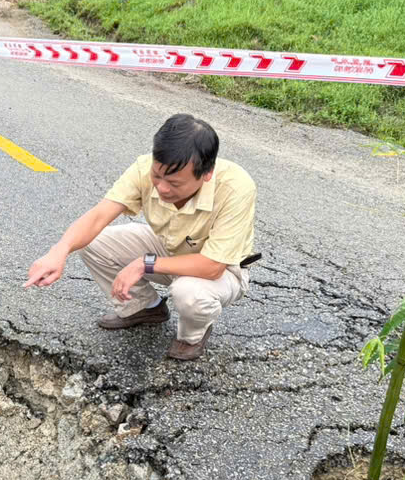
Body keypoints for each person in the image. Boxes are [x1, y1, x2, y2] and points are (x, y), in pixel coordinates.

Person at [25, 114, 257, 361]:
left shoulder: (235, 187)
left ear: (206, 173)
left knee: (189, 293)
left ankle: (192, 336)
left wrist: (144, 263)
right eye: (158, 176)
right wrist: (60, 250)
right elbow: (99, 215)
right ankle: (145, 308)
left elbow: (212, 266)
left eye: (175, 183)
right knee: (92, 242)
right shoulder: (144, 168)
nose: (162, 188)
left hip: (220, 270)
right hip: (168, 245)